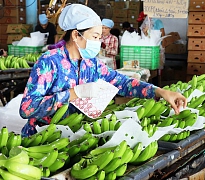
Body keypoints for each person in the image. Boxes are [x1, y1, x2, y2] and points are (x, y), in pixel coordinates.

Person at [19, 4, 187, 137]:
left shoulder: (91, 63)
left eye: (100, 37)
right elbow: (27, 108)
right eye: (94, 37)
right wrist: (73, 93)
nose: (98, 42)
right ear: (76, 35)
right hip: (42, 139)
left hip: (73, 138)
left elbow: (122, 82)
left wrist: (160, 92)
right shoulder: (49, 62)